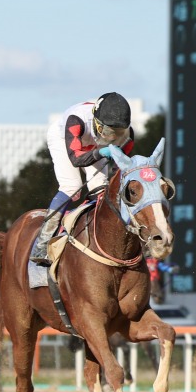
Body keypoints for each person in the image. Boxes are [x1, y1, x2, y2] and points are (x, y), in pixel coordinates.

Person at [29, 92, 136, 266]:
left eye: (118, 132)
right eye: (109, 131)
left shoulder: (127, 134)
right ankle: (42, 241)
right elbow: (76, 158)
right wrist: (101, 152)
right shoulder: (75, 120)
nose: (113, 137)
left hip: (95, 144)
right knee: (73, 187)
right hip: (65, 140)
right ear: (97, 121)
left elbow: (120, 171)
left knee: (100, 187)